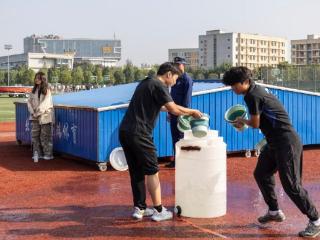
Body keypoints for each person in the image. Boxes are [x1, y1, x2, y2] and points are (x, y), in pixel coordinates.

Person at [222, 66, 320, 238]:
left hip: (286, 142)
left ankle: (315, 220)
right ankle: (274, 211)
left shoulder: (253, 95)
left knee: (291, 185)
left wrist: (241, 121)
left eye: (234, 85)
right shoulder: (253, 91)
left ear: (245, 82)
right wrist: (245, 121)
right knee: (261, 173)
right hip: (274, 142)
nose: (233, 89)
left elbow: (255, 124)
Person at [119, 62, 202, 221]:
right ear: (169, 74)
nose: (176, 83)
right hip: (140, 133)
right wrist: (192, 112)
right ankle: (159, 210)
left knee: (136, 171)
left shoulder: (146, 82)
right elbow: (173, 109)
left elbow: (163, 107)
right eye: (175, 79)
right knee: (152, 171)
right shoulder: (159, 85)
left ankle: (140, 208)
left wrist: (184, 111)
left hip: (125, 131)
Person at [165, 57, 193, 168]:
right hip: (173, 113)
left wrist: (183, 115)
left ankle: (183, 161)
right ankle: (176, 160)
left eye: (178, 64)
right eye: (175, 65)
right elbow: (171, 97)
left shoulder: (187, 80)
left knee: (182, 138)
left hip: (181, 114)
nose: (176, 66)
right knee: (175, 137)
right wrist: (169, 111)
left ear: (183, 65)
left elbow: (186, 100)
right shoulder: (175, 79)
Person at [27, 72, 54, 161]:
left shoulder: (47, 90)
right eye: (35, 78)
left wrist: (37, 112)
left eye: (38, 78)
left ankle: (48, 154)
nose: (36, 79)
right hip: (34, 116)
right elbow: (29, 102)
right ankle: (37, 154)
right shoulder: (33, 90)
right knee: (35, 136)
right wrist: (32, 112)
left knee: (45, 136)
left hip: (45, 116)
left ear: (43, 79)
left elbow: (45, 104)